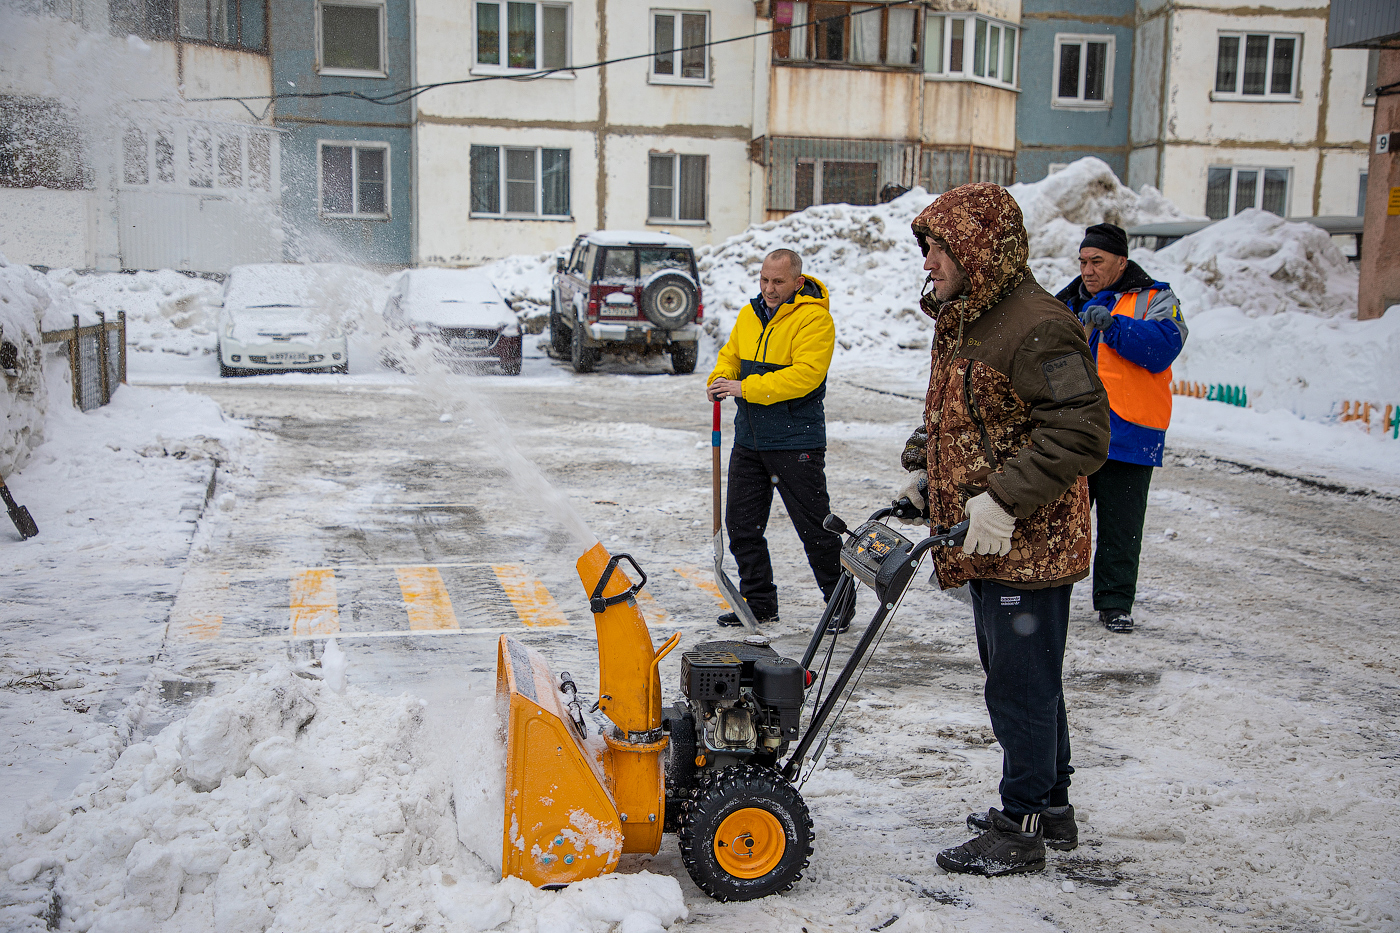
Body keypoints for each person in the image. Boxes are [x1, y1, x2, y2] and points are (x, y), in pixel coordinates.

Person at [894, 183, 1109, 876]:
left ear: (976, 248)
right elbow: (966, 417)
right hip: (991, 537)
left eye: (937, 246)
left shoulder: (1037, 324)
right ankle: (1053, 807)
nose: (927, 260)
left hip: (1030, 542)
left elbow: (1082, 429)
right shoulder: (971, 316)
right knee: (1031, 679)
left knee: (1018, 684)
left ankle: (1020, 826)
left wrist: (1002, 499)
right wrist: (926, 474)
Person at [707, 249, 853, 632]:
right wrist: (721, 379)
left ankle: (839, 602)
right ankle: (758, 604)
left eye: (778, 282)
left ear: (797, 282)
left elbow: (804, 376)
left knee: (814, 527)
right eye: (764, 280)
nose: (769, 289)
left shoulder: (814, 320)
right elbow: (731, 356)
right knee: (742, 526)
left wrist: (744, 387)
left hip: (795, 440)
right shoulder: (749, 314)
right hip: (750, 440)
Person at [1055, 223, 1188, 634]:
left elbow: (1164, 346)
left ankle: (1114, 602)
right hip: (1075, 432)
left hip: (1131, 433)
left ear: (1121, 263)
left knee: (1121, 526)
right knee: (1060, 519)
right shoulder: (1067, 301)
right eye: (1082, 261)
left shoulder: (1155, 297)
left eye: (1097, 261)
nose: (1088, 269)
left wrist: (1115, 325)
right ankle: (1047, 594)